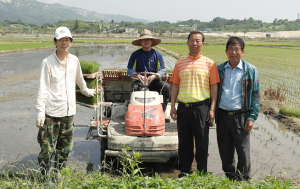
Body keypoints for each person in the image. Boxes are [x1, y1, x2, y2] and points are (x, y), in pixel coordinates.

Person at [36, 26, 96, 175]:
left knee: (65, 149)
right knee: (47, 149)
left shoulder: (74, 60)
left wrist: (89, 92)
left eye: (67, 40)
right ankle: (44, 179)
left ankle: (57, 177)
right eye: (61, 40)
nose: (64, 43)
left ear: (71, 42)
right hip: (51, 113)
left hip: (68, 113)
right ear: (55, 42)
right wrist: (40, 112)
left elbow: (80, 81)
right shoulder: (47, 62)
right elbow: (43, 88)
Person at [170, 31, 220, 177]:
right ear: (187, 42)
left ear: (203, 44)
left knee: (202, 143)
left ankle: (202, 174)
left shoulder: (210, 64)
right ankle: (185, 172)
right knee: (184, 143)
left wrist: (212, 108)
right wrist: (173, 106)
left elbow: (214, 87)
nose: (195, 43)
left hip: (201, 108)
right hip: (184, 108)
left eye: (198, 41)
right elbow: (175, 86)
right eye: (192, 40)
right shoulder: (179, 63)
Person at [216, 36, 260, 181]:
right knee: (225, 150)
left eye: (237, 49)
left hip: (241, 117)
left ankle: (243, 180)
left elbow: (255, 96)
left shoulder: (250, 70)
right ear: (226, 51)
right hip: (222, 115)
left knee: (243, 151)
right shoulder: (219, 69)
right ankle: (231, 179)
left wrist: (252, 117)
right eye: (231, 49)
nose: (233, 52)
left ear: (242, 52)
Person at [127, 29, 170, 121]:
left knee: (166, 87)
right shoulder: (135, 54)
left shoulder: (157, 55)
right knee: (135, 88)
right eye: (143, 39)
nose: (146, 41)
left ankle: (163, 111)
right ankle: (135, 113)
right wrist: (138, 76)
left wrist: (155, 76)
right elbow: (130, 69)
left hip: (154, 81)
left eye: (148, 39)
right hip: (140, 81)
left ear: (152, 41)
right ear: (140, 41)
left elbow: (162, 69)